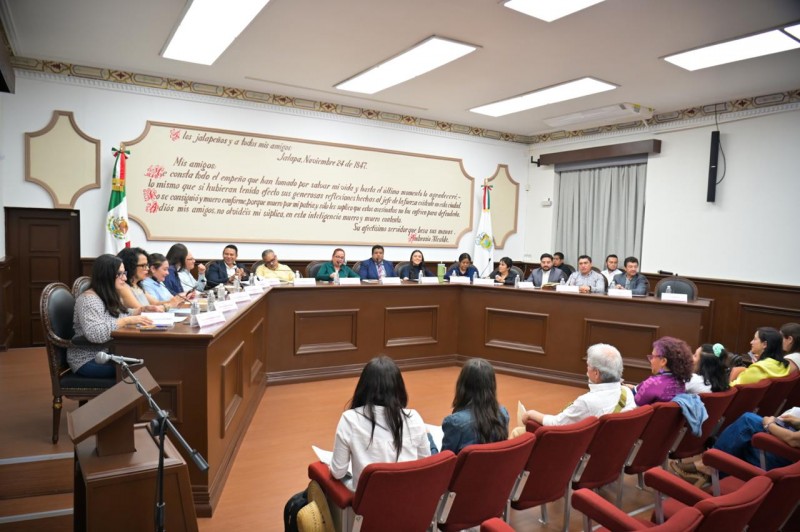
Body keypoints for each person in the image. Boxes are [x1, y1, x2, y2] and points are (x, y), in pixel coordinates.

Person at [329, 356, 431, 489]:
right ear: (399, 388)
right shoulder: (414, 418)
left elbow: (338, 472)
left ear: (363, 387)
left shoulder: (349, 419)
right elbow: (425, 465)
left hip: (367, 500)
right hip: (408, 497)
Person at [68, 254, 154, 377]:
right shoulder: (89, 300)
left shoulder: (106, 294)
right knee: (143, 370)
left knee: (150, 361)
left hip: (110, 352)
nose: (125, 278)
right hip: (88, 359)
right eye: (120, 274)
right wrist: (126, 321)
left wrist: (141, 310)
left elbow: (119, 314)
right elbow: (95, 335)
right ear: (106, 275)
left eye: (124, 273)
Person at [522, 344, 635, 426]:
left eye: (588, 366)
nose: (587, 369)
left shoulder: (587, 402)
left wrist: (531, 414)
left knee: (518, 431)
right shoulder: (627, 393)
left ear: (596, 373)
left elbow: (556, 424)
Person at [436, 358, 509, 454]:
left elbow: (445, 460)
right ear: (492, 386)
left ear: (462, 385)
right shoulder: (503, 414)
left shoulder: (455, 423)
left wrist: (429, 440)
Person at [626, 336, 693, 406]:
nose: (650, 361)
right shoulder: (681, 383)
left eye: (652, 357)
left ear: (663, 361)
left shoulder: (652, 383)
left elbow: (633, 402)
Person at [117, 247, 182, 311]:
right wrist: (169, 305)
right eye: (143, 266)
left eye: (147, 265)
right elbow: (141, 311)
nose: (148, 269)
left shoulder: (137, 285)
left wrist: (175, 301)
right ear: (131, 266)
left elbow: (155, 303)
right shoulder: (124, 287)